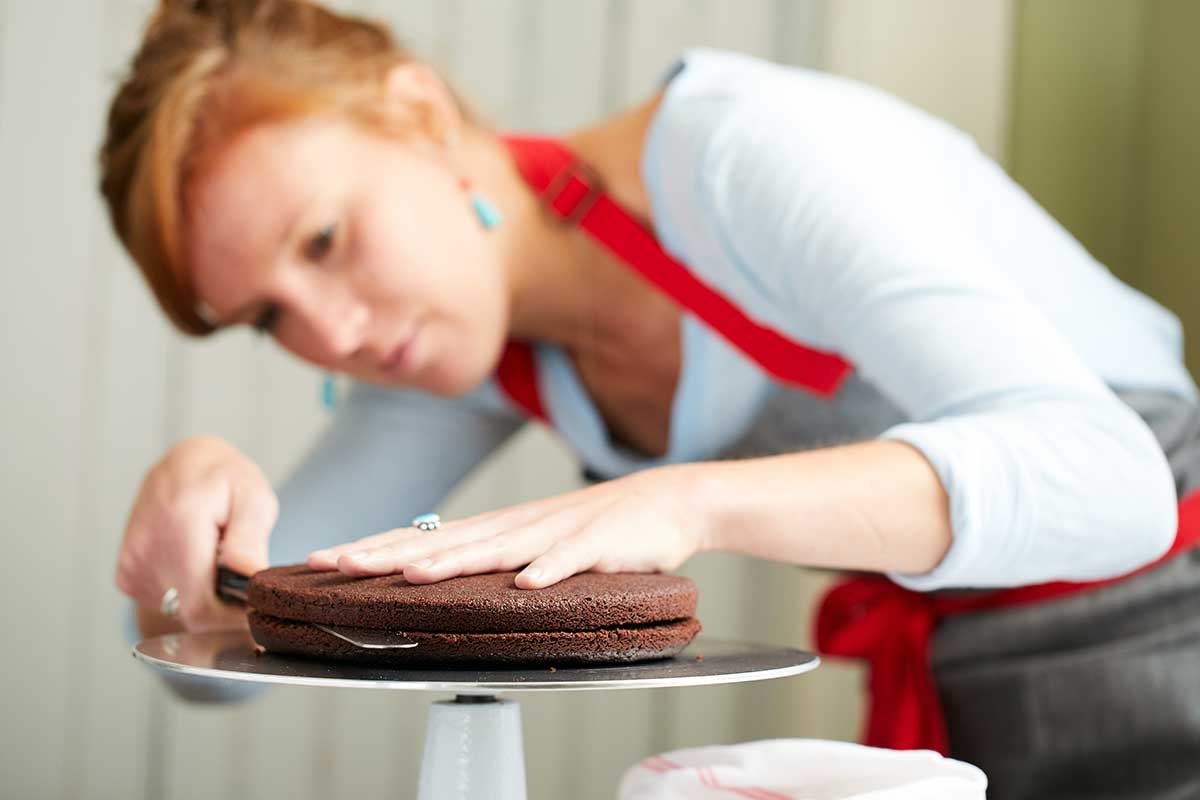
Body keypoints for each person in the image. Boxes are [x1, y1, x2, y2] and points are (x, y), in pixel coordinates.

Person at [101, 2, 1200, 797]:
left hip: (1169, 631)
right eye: (266, 314)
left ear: (420, 114)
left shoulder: (745, 155)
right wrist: (190, 518)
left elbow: (1121, 486)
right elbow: (229, 665)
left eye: (327, 239)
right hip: (963, 687)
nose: (329, 331)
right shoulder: (459, 355)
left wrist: (691, 502)